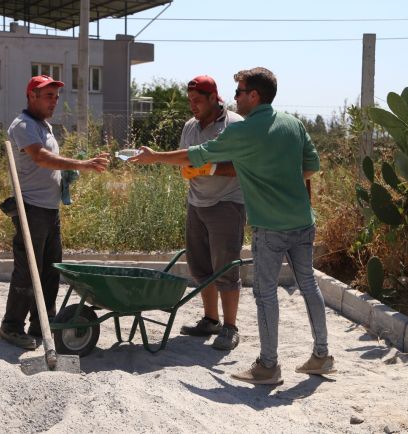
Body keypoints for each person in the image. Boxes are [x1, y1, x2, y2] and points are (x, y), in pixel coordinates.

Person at [130, 67, 334, 385]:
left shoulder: (243, 130)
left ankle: (268, 366)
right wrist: (283, 184)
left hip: (269, 226)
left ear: (254, 95)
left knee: (266, 294)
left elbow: (197, 156)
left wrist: (155, 156)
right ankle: (322, 355)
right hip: (302, 222)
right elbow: (311, 167)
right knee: (308, 285)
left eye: (239, 92)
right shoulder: (293, 123)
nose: (235, 97)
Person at [0, 75, 110, 350]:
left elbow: (48, 163)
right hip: (31, 210)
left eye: (56, 97)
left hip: (49, 210)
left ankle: (41, 324)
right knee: (27, 272)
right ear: (32, 96)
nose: (54, 102)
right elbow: (40, 158)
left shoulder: (44, 126)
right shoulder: (23, 125)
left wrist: (67, 174)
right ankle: (11, 327)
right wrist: (82, 164)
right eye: (48, 96)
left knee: (50, 272)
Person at [177, 75, 246, 350]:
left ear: (213, 98)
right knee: (201, 265)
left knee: (226, 267)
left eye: (198, 101)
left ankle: (230, 327)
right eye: (190, 101)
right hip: (197, 203)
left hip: (227, 203)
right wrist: (186, 169)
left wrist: (209, 168)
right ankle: (210, 319)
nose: (193, 106)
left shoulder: (234, 125)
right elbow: (184, 157)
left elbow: (243, 166)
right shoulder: (190, 127)